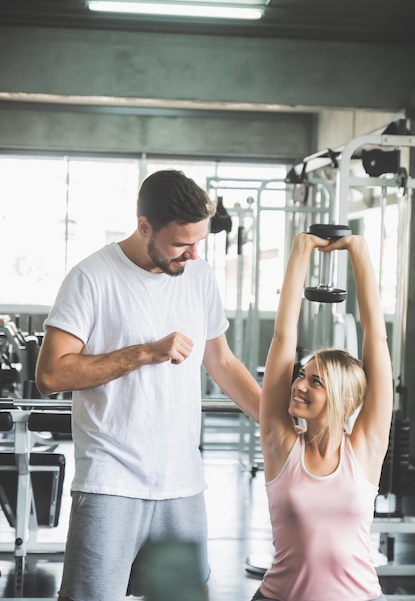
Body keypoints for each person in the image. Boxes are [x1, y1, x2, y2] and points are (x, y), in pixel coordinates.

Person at [35, 169, 261, 601]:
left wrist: (280, 423)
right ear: (144, 227)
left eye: (200, 242)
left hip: (181, 484)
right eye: (181, 244)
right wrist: (145, 352)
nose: (193, 254)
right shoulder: (91, 277)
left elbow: (223, 363)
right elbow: (51, 375)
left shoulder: (199, 275)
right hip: (111, 482)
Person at [251, 231, 393, 601]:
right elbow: (282, 338)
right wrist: (299, 250)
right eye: (301, 374)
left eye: (316, 382)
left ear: (345, 402)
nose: (298, 385)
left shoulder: (365, 449)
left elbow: (376, 339)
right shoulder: (281, 445)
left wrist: (359, 251)